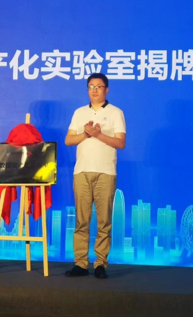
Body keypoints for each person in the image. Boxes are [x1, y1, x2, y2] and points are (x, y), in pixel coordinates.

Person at [64, 73, 126, 279]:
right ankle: (81, 263)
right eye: (91, 86)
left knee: (104, 221)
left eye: (99, 86)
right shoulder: (79, 112)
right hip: (82, 171)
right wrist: (86, 134)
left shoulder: (116, 112)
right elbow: (68, 140)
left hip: (106, 172)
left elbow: (121, 143)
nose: (95, 90)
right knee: (81, 220)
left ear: (106, 90)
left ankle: (101, 263)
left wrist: (99, 135)